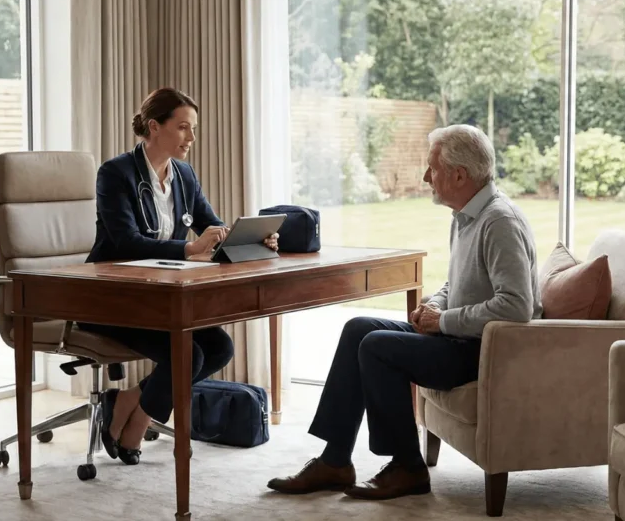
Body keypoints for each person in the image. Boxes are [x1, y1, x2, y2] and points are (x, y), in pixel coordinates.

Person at [266, 124, 542, 500]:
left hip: (482, 352)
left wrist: (441, 320)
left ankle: (408, 467)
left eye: (433, 169)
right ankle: (335, 460)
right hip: (457, 337)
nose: (426, 177)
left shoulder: (499, 222)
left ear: (460, 175)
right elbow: (460, 284)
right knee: (358, 328)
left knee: (378, 346)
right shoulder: (467, 215)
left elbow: (516, 307)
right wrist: (436, 304)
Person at [81, 87, 278, 465]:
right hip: (111, 297)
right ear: (154, 127)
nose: (191, 138)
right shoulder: (115, 173)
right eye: (184, 128)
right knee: (186, 352)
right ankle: (136, 423)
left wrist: (249, 237)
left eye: (193, 129)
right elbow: (125, 243)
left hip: (157, 297)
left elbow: (212, 225)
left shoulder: (184, 175)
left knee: (220, 347)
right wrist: (189, 249)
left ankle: (128, 403)